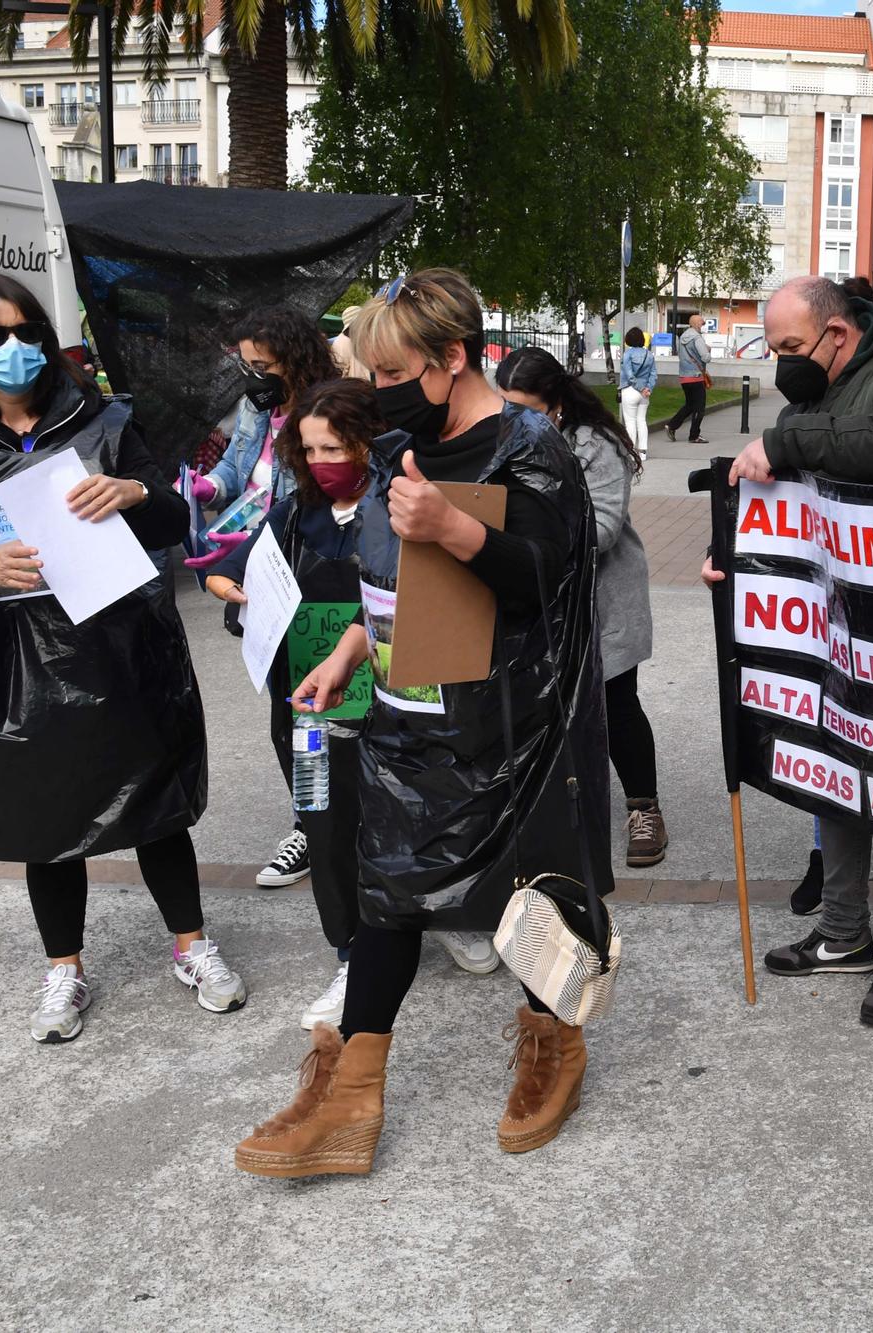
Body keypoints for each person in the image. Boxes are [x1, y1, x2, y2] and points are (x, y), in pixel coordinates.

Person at [235, 268, 611, 1177]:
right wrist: (350, 649)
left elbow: (548, 576)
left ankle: (553, 1041)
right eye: (368, 368)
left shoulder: (529, 447)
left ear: (453, 359)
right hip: (411, 714)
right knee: (388, 892)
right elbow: (391, 580)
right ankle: (351, 1094)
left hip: (515, 723)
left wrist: (455, 527)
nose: (378, 387)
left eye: (394, 368)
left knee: (537, 889)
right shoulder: (403, 442)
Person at [0, 271, 241, 1044]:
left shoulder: (104, 421)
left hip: (119, 647)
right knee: (43, 815)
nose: (13, 349)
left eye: (26, 332)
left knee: (151, 801)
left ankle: (191, 944)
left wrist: (135, 495)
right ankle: (65, 967)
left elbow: (176, 512)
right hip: (15, 661)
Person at [702, 275, 873, 1025]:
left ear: (838, 335)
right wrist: (737, 558)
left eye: (789, 347)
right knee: (838, 777)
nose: (783, 363)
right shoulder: (811, 401)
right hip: (832, 629)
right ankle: (843, 931)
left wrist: (782, 442)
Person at [204, 379, 382, 1028]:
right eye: (307, 449)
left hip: (391, 699)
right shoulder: (293, 516)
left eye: (334, 446)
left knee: (407, 816)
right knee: (324, 825)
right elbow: (233, 564)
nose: (319, 462)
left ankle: (441, 921)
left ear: (369, 440)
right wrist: (223, 578)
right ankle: (349, 955)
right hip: (307, 707)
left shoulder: (396, 507)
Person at [496, 346, 668, 868]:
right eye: (504, 407)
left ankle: (644, 808)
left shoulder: (594, 445)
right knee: (537, 702)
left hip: (602, 596)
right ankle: (543, 805)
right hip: (536, 594)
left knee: (615, 702)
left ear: (556, 407)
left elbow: (605, 526)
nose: (513, 420)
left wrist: (518, 539)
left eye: (524, 409)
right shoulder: (502, 440)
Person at [193, 305, 340, 892]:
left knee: (332, 710)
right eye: (248, 364)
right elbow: (235, 470)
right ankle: (310, 823)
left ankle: (347, 825)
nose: (254, 375)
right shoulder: (257, 407)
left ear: (295, 358)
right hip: (261, 576)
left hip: (311, 575)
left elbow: (307, 501)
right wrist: (204, 488)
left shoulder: (331, 411)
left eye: (264, 364)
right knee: (288, 716)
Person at [663, 311, 712, 444]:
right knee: (699, 407)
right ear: (696, 324)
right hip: (696, 377)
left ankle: (672, 426)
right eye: (701, 324)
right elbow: (705, 358)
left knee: (690, 405)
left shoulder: (683, 337)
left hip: (684, 377)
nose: (702, 326)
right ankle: (694, 435)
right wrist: (708, 350)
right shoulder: (697, 338)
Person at [618, 327, 657, 462]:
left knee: (630, 422)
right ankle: (643, 452)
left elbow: (629, 376)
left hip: (630, 390)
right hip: (645, 393)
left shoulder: (627, 354)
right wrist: (648, 389)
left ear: (628, 340)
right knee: (642, 421)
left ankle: (631, 452)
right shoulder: (649, 355)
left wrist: (640, 388)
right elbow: (653, 375)